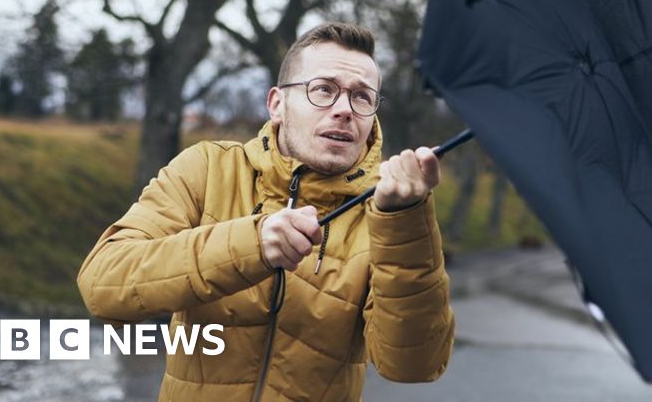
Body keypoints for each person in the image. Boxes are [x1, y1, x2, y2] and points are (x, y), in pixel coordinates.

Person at [78, 22, 455, 401]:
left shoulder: (387, 214)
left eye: (361, 97)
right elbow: (103, 284)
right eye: (323, 89)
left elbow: (414, 365)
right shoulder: (208, 169)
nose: (344, 110)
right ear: (277, 104)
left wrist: (405, 224)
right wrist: (252, 244)